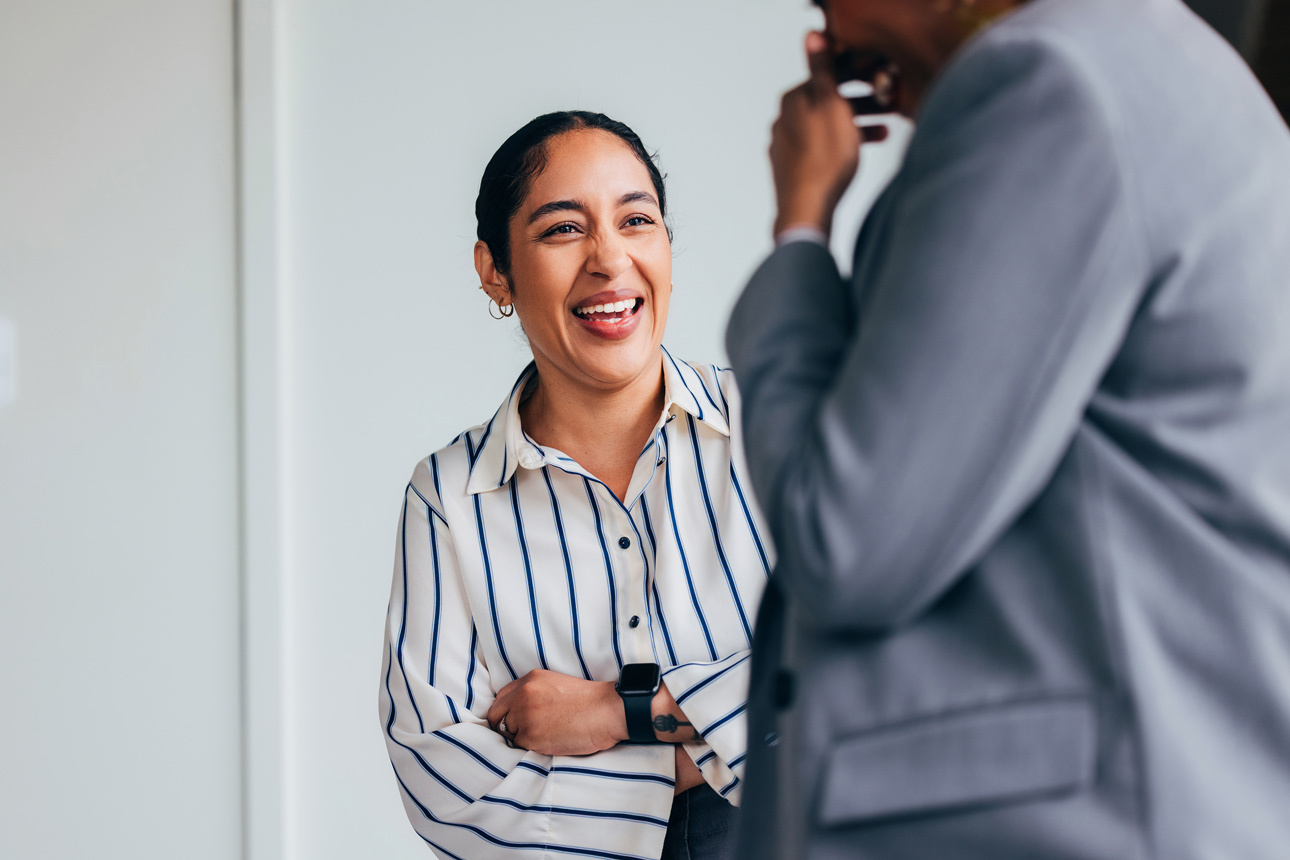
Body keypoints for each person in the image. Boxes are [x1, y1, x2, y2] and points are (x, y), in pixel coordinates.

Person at [726, 0, 1290, 857]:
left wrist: (800, 226)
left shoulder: (1047, 85)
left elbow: (846, 538)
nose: (826, 37)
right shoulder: (1156, 63)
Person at [379, 111, 772, 860]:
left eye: (636, 220)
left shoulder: (777, 423)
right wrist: (703, 760)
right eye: (563, 229)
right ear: (496, 271)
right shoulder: (448, 497)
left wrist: (619, 716)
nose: (610, 260)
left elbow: (880, 669)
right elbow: (444, 784)